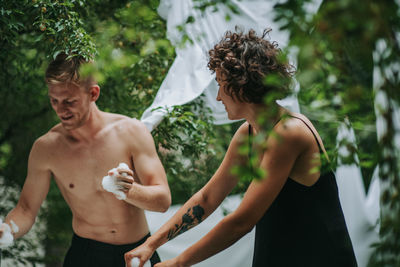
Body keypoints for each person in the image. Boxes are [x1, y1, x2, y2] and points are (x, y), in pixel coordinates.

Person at [124, 29, 357, 267]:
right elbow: (207, 198)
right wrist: (151, 244)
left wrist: (179, 262)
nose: (217, 98)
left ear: (242, 85)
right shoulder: (248, 133)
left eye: (220, 86)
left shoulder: (289, 132)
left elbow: (242, 221)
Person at [0, 53, 171, 267]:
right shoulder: (46, 148)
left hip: (138, 251)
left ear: (93, 93)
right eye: (54, 101)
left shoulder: (130, 132)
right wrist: (7, 229)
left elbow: (163, 200)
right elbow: (25, 209)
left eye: (69, 101)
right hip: (85, 255)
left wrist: (128, 190)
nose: (61, 110)